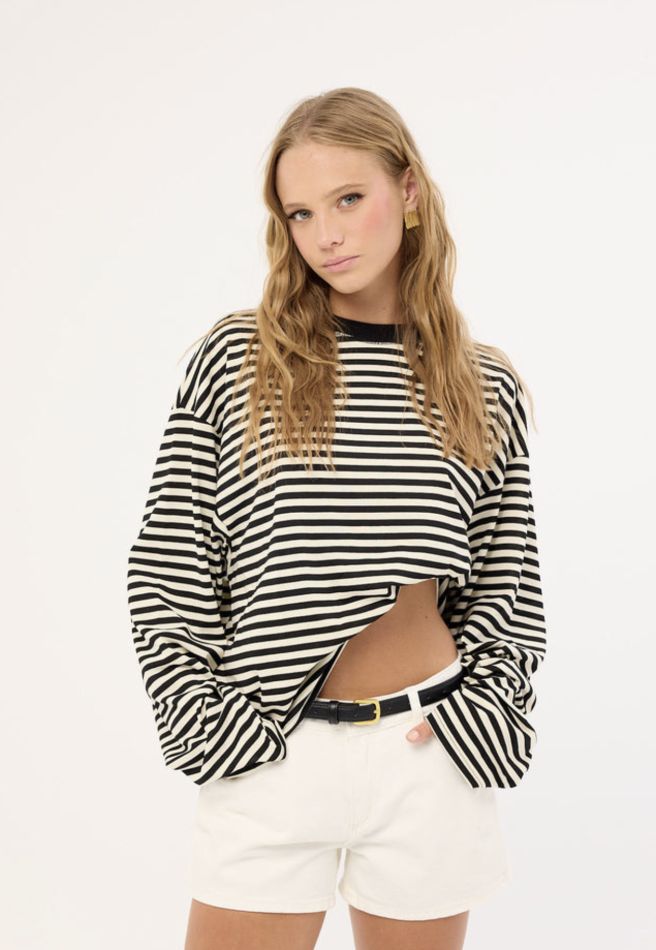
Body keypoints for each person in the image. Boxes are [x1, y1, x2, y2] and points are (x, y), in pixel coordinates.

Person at [126, 86, 547, 950]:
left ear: (409, 191)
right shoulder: (240, 359)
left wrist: (487, 711)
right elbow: (170, 561)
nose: (326, 234)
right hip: (271, 747)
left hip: (429, 751)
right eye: (301, 213)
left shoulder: (481, 383)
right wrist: (201, 719)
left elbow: (508, 581)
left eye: (349, 198)